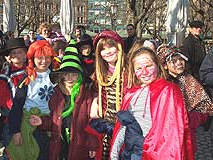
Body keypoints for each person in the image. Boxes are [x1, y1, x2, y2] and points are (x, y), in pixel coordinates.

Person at [110, 47, 194, 160]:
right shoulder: (131, 94)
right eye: (139, 68)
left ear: (157, 65)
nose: (144, 72)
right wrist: (114, 154)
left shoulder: (169, 90)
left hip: (157, 154)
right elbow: (124, 127)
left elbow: (173, 133)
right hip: (131, 153)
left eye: (148, 66)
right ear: (134, 72)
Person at [30, 40, 98, 160]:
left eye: (74, 74)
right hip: (60, 144)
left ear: (79, 76)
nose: (69, 78)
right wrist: (41, 121)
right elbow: (54, 119)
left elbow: (93, 122)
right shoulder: (56, 94)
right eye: (66, 74)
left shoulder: (86, 95)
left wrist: (93, 145)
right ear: (61, 76)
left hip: (80, 145)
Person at [7, 40, 60, 160]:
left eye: (47, 57)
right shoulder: (27, 79)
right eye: (40, 58)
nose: (44, 61)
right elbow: (17, 106)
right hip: (29, 124)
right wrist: (16, 131)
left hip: (50, 123)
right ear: (32, 59)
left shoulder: (56, 76)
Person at [157, 44, 213, 154]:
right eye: (174, 60)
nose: (179, 63)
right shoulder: (161, 84)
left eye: (181, 59)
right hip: (165, 136)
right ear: (165, 65)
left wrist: (194, 119)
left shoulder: (189, 80)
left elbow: (204, 106)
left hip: (187, 134)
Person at [88, 30, 127, 160]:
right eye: (103, 49)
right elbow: (94, 91)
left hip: (127, 126)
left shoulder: (130, 70)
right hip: (107, 127)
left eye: (111, 46)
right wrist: (95, 102)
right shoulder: (100, 73)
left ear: (119, 47)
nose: (108, 51)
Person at [0, 38, 28, 159]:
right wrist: (19, 113)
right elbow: (4, 100)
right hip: (12, 119)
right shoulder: (5, 75)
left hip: (32, 118)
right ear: (8, 56)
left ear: (25, 54)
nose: (16, 55)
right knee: (12, 152)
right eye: (13, 53)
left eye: (19, 52)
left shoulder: (33, 71)